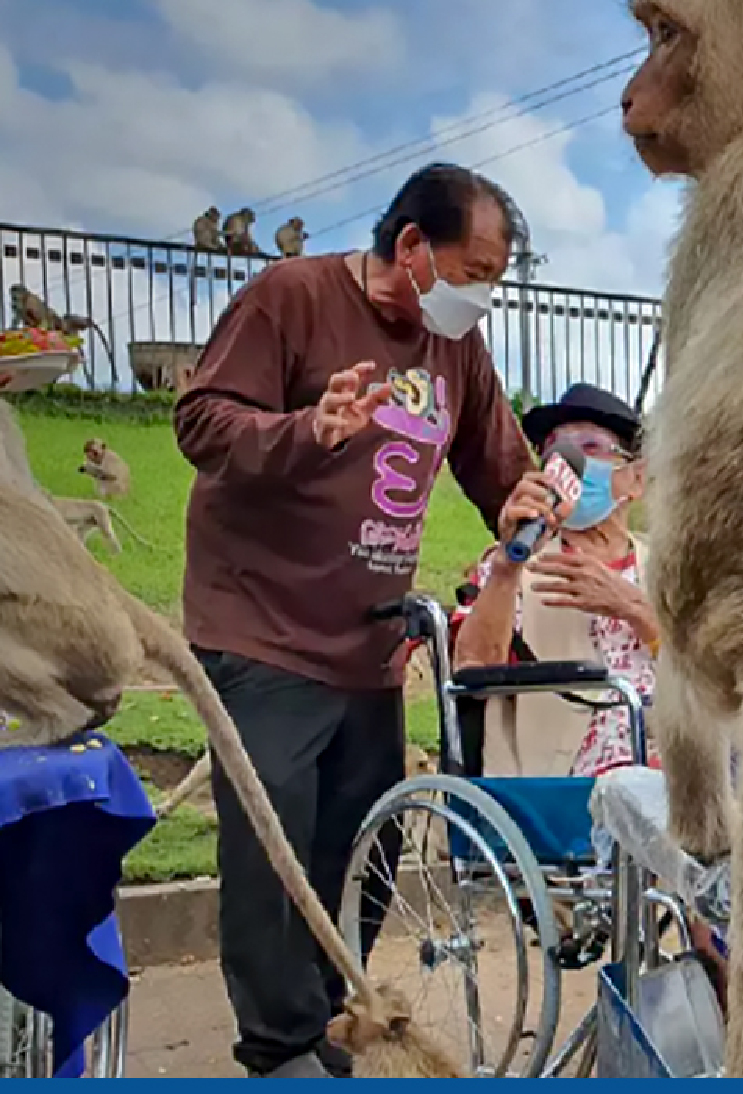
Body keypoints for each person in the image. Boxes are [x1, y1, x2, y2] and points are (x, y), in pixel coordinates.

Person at [172, 163, 561, 1079]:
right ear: (414, 246)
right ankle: (279, 1050)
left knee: (364, 848)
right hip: (261, 628)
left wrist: (525, 501)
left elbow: (495, 463)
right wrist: (310, 428)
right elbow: (201, 421)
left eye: (497, 278)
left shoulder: (451, 347)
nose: (482, 296)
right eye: (475, 270)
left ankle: (325, 1022)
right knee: (273, 856)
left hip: (369, 641)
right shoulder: (290, 297)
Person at [451, 383, 659, 778]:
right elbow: (472, 674)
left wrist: (634, 608)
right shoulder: (515, 567)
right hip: (560, 787)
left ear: (637, 479)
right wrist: (507, 568)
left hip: (672, 776)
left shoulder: (667, 571)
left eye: (590, 447)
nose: (568, 461)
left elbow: (718, 685)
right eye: (555, 450)